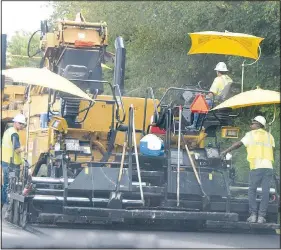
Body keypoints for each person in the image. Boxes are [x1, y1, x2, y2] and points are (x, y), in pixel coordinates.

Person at [220, 116, 275, 224]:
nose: (251, 125)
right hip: (268, 167)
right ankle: (261, 217)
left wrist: (225, 151)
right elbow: (273, 151)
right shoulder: (270, 136)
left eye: (252, 123)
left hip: (256, 166)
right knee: (265, 192)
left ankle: (253, 215)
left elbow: (238, 144)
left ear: (258, 124)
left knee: (252, 190)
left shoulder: (251, 135)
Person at [188, 62, 233, 129]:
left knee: (199, 102)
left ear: (217, 71)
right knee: (204, 101)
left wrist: (204, 96)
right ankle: (199, 124)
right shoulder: (230, 80)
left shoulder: (218, 79)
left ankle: (195, 125)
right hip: (228, 103)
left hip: (217, 102)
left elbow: (211, 94)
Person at [1, 113, 26, 210]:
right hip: (11, 163)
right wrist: (22, 148)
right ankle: (7, 205)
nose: (22, 126)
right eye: (20, 123)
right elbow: (16, 149)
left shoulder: (8, 131)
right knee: (10, 185)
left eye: (23, 124)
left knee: (6, 184)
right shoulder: (14, 134)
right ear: (15, 123)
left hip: (5, 161)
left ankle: (3, 203)